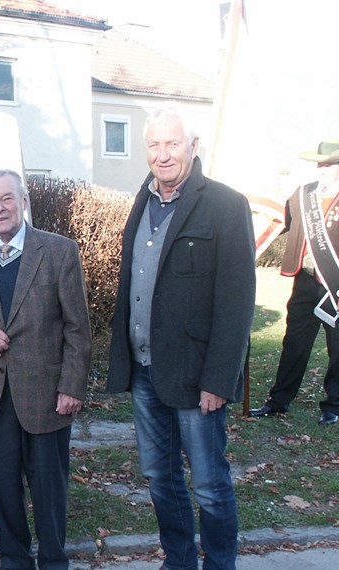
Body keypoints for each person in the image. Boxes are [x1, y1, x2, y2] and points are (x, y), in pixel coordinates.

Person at [106, 108, 255, 570]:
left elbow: (236, 301)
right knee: (159, 478)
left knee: (209, 482)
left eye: (172, 144)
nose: (162, 154)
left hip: (196, 378)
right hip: (146, 371)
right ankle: (179, 561)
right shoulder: (142, 200)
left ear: (194, 146)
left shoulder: (226, 206)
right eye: (154, 145)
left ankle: (219, 565)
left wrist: (219, 378)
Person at [0, 169, 92, 570]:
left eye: (7, 198)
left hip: (47, 395)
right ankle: (14, 561)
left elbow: (78, 327)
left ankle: (54, 561)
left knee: (49, 489)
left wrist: (71, 386)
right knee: (3, 489)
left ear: (24, 201)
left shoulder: (58, 250)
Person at [250, 141, 339, 426]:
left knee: (338, 348)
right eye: (320, 163)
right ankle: (279, 400)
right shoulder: (302, 194)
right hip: (304, 282)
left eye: (329, 163)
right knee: (293, 344)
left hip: (336, 285)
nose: (323, 169)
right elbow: (283, 224)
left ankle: (332, 404)